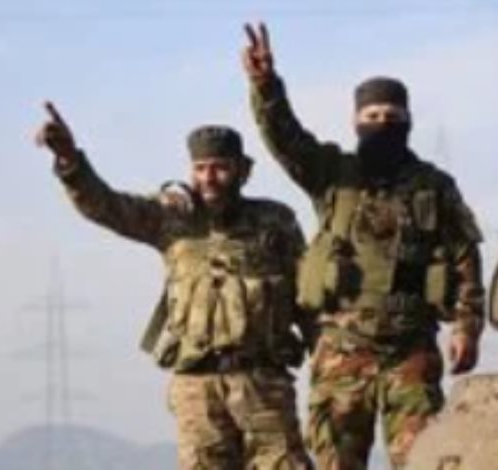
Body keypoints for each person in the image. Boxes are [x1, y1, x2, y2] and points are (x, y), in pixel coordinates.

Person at [241, 24, 486, 469]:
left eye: (392, 115)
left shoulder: (434, 186)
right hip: (342, 351)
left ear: (408, 121)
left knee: (424, 460)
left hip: (410, 351)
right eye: (372, 115)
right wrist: (265, 85)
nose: (383, 123)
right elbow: (285, 139)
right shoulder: (332, 174)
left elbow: (465, 256)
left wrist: (468, 327)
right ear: (356, 122)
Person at [35, 102, 313, 469]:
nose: (209, 178)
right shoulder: (172, 217)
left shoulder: (275, 221)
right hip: (197, 389)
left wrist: (328, 360)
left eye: (220, 167)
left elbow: (309, 296)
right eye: (200, 168)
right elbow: (107, 206)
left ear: (242, 170)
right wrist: (71, 162)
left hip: (264, 385)